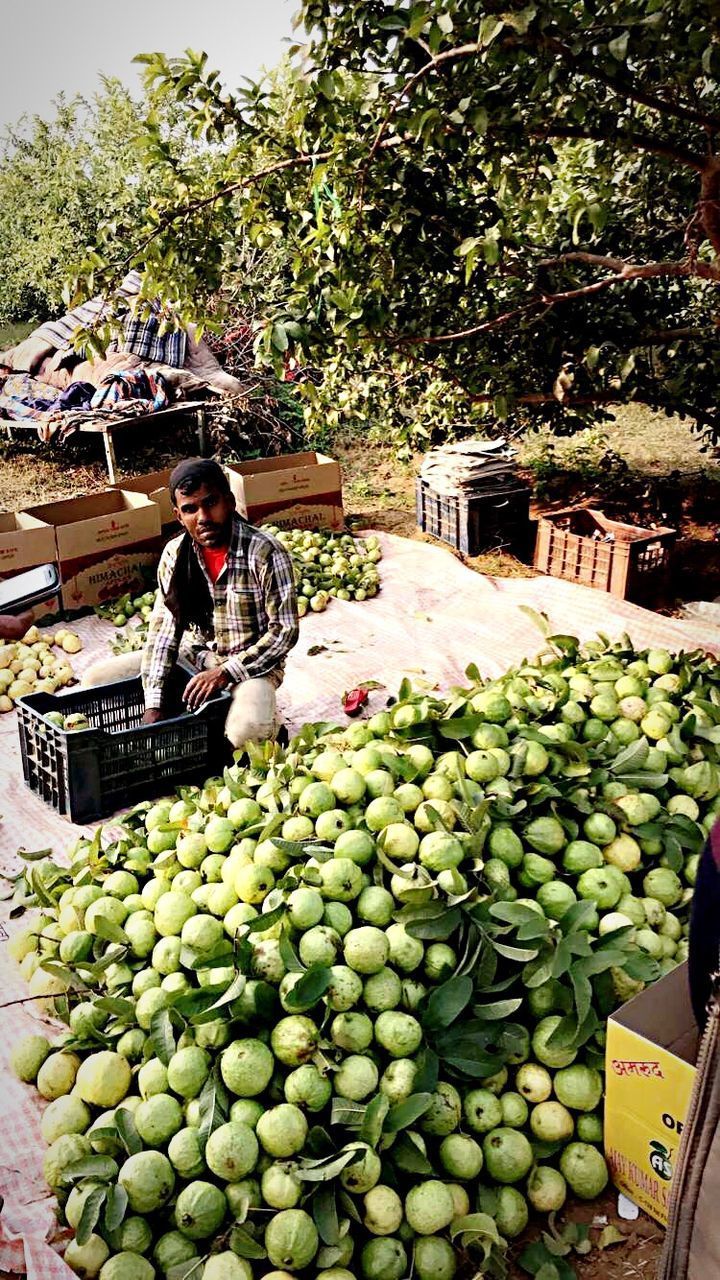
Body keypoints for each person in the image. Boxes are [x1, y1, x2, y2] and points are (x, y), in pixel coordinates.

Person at [82, 458, 299, 748]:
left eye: (211, 503)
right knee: (96, 681)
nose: (203, 517)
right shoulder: (175, 555)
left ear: (230, 501)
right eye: (190, 509)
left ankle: (267, 722)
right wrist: (153, 707)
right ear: (178, 515)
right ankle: (197, 710)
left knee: (245, 733)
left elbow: (284, 632)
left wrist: (224, 673)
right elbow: (163, 632)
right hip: (198, 659)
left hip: (251, 670)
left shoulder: (265, 552)